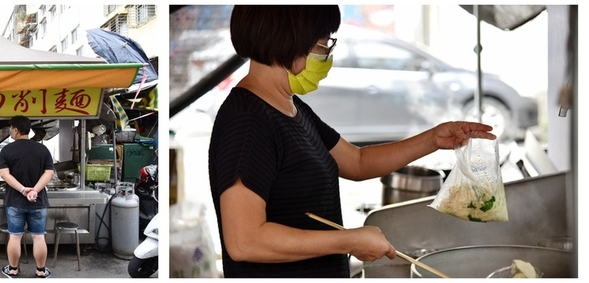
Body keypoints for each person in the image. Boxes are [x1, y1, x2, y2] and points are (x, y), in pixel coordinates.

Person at [208, 5, 497, 278]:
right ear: (288, 39)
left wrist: (434, 139)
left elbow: (357, 162)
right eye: (323, 44)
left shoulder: (290, 107)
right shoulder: (247, 121)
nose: (326, 55)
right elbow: (245, 241)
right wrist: (349, 240)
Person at [0, 115, 55, 278]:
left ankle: (13, 270)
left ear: (16, 130)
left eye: (11, 129)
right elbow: (49, 173)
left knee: (15, 237)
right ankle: (41, 271)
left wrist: (23, 190)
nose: (10, 131)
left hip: (15, 202)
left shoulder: (7, 150)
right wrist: (34, 191)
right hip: (38, 201)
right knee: (38, 237)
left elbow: (4, 174)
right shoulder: (42, 149)